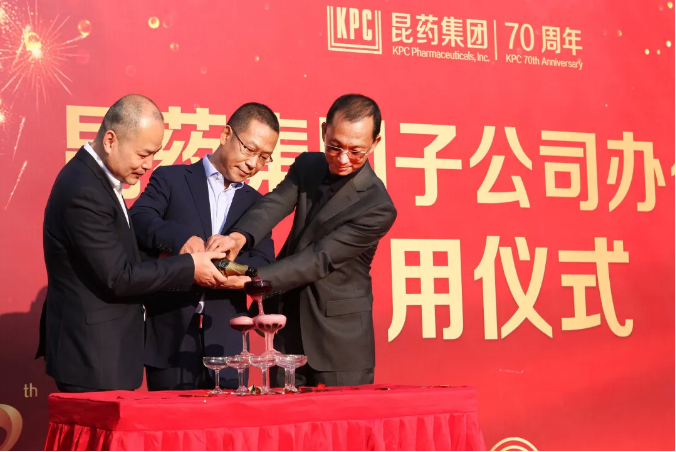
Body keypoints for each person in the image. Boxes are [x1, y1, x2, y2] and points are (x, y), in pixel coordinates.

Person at [36, 94, 228, 392]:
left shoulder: (98, 179)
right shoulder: (83, 189)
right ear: (110, 140)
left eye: (154, 154)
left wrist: (175, 252)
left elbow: (121, 253)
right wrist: (190, 266)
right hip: (92, 357)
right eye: (143, 154)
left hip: (105, 352)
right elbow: (119, 276)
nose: (149, 164)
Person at [223, 94, 397, 387]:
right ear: (324, 131)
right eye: (335, 146)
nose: (343, 158)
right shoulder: (308, 166)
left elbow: (319, 258)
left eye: (356, 151)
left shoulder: (377, 205)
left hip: (339, 344)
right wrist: (239, 236)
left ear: (375, 143)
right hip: (285, 330)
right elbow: (275, 204)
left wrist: (253, 279)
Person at [129, 102, 278, 390]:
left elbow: (263, 263)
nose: (253, 164)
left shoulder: (258, 205)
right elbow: (139, 218)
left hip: (229, 340)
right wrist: (181, 242)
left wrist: (229, 273)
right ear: (226, 134)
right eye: (249, 149)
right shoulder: (172, 179)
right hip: (170, 334)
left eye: (263, 157)